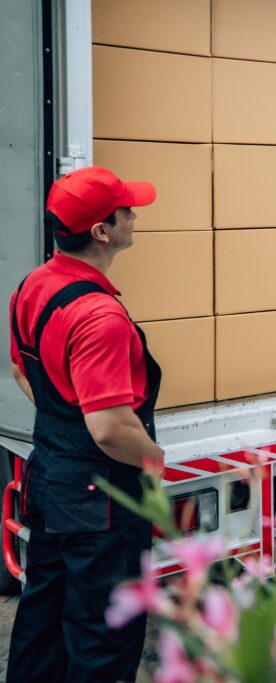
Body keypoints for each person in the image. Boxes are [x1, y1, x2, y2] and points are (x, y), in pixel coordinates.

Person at [7, 166, 164, 682]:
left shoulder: (34, 285)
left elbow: (21, 370)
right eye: (127, 211)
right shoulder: (100, 317)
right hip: (101, 493)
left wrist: (65, 420)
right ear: (102, 231)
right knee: (103, 635)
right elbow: (110, 429)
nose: (135, 216)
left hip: (50, 474)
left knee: (44, 615)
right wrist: (153, 462)